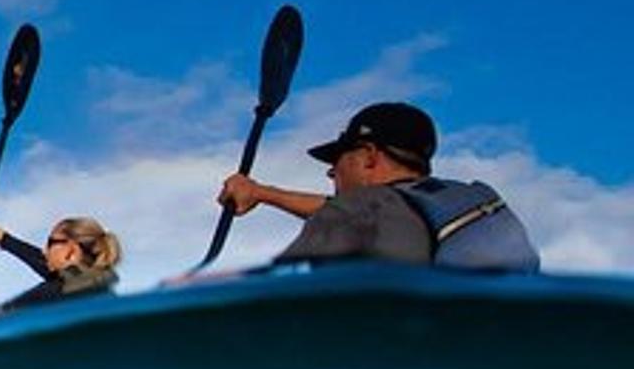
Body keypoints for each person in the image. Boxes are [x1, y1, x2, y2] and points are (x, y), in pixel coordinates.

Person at [217, 102, 539, 271]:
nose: (331, 173)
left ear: (369, 156)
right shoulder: (475, 197)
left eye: (338, 160)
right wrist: (261, 193)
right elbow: (369, 213)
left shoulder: (360, 212)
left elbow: (288, 291)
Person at [0, 215, 123, 310]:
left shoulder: (57, 293)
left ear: (71, 251)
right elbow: (51, 269)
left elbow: (1, 314)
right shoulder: (96, 283)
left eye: (50, 243)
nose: (44, 251)